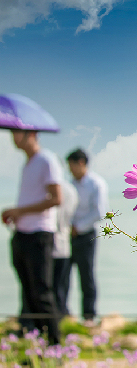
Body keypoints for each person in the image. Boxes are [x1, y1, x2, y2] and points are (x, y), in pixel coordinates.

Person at [2, 129, 63, 344]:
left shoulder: (46, 160)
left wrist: (19, 211)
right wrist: (16, 213)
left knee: (41, 293)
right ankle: (38, 346)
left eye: (16, 132)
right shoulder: (28, 163)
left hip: (39, 235)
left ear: (30, 133)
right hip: (22, 234)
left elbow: (56, 198)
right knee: (29, 295)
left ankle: (55, 345)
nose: (13, 137)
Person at [64, 148, 108, 325]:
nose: (70, 170)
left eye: (71, 166)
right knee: (63, 274)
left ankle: (89, 316)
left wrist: (78, 227)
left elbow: (99, 212)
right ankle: (63, 312)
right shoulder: (69, 184)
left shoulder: (96, 183)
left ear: (81, 163)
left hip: (86, 235)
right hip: (68, 234)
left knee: (86, 275)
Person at [51, 179, 78, 320]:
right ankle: (62, 316)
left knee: (54, 286)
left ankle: (58, 317)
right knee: (61, 286)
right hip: (63, 243)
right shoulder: (70, 189)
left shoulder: (64, 190)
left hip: (53, 244)